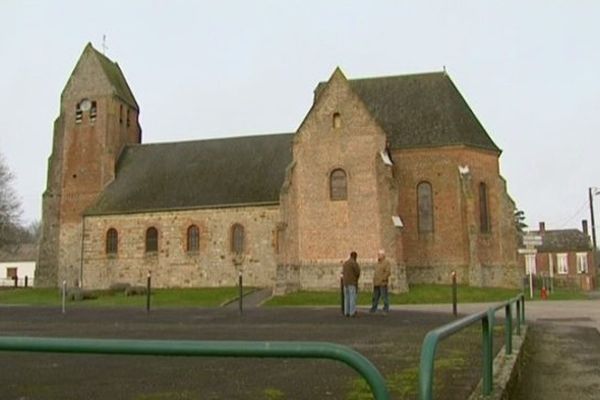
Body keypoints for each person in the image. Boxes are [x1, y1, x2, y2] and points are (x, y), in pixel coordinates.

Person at [370, 249, 391, 313]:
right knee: (375, 297)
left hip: (382, 283)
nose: (378, 256)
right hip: (376, 283)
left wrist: (383, 279)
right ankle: (374, 308)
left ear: (383, 255)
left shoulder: (386, 263)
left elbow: (388, 272)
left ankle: (386, 308)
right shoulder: (377, 263)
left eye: (379, 255)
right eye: (378, 254)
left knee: (384, 297)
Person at [342, 251, 360, 317]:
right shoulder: (354, 263)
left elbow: (343, 272)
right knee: (352, 297)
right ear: (355, 256)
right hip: (352, 282)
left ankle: (346, 311)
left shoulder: (345, 263)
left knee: (346, 298)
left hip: (345, 282)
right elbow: (357, 272)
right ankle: (352, 312)